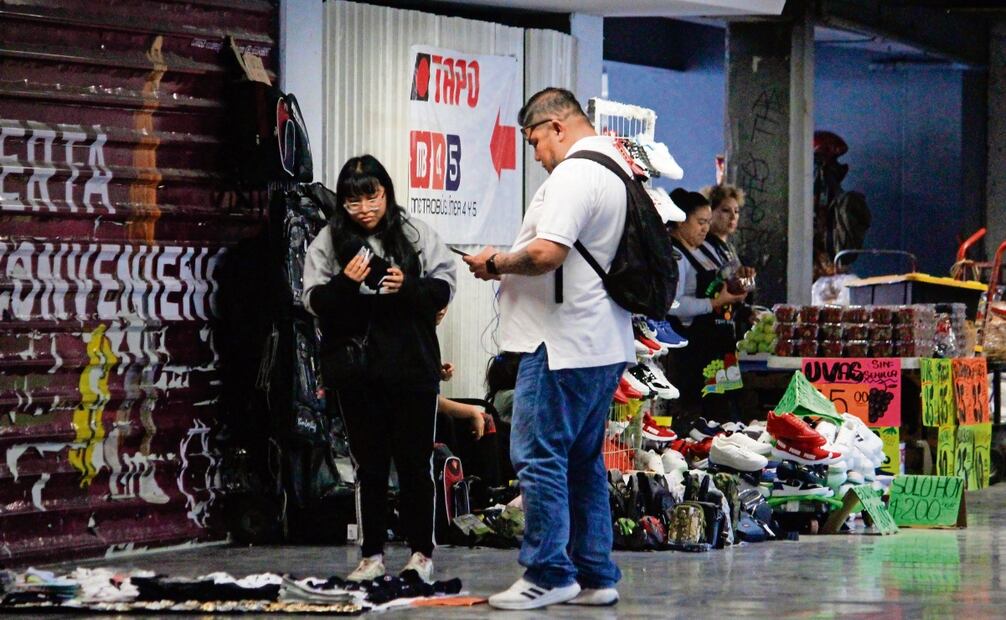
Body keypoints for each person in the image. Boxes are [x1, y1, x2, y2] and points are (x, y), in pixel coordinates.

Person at [464, 87, 635, 610]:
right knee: (581, 461)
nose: (536, 155)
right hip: (600, 341)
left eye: (533, 141)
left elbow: (546, 253)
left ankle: (548, 572)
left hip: (561, 343)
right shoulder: (615, 168)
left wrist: (495, 263)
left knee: (537, 456)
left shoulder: (575, 173)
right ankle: (595, 574)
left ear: (556, 126)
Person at [302, 155, 456, 583]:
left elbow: (444, 288)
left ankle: (421, 554)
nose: (364, 209)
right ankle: (371, 555)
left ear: (386, 193)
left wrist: (408, 286)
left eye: (372, 197)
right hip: (357, 372)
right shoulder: (328, 241)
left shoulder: (414, 233)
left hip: (412, 368)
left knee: (415, 464)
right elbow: (313, 301)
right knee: (368, 467)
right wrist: (345, 284)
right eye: (353, 201)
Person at [666, 188, 747, 428]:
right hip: (692, 355)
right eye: (700, 222)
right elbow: (673, 304)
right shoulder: (676, 255)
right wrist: (713, 303)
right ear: (680, 221)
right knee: (697, 417)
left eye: (708, 223)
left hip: (718, 348)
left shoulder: (702, 251)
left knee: (722, 416)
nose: (705, 229)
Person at [701, 183, 756, 334]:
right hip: (708, 326)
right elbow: (709, 286)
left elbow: (742, 290)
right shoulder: (703, 246)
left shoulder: (729, 249)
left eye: (736, 211)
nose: (733, 217)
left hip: (729, 324)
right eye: (725, 210)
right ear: (710, 212)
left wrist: (748, 280)